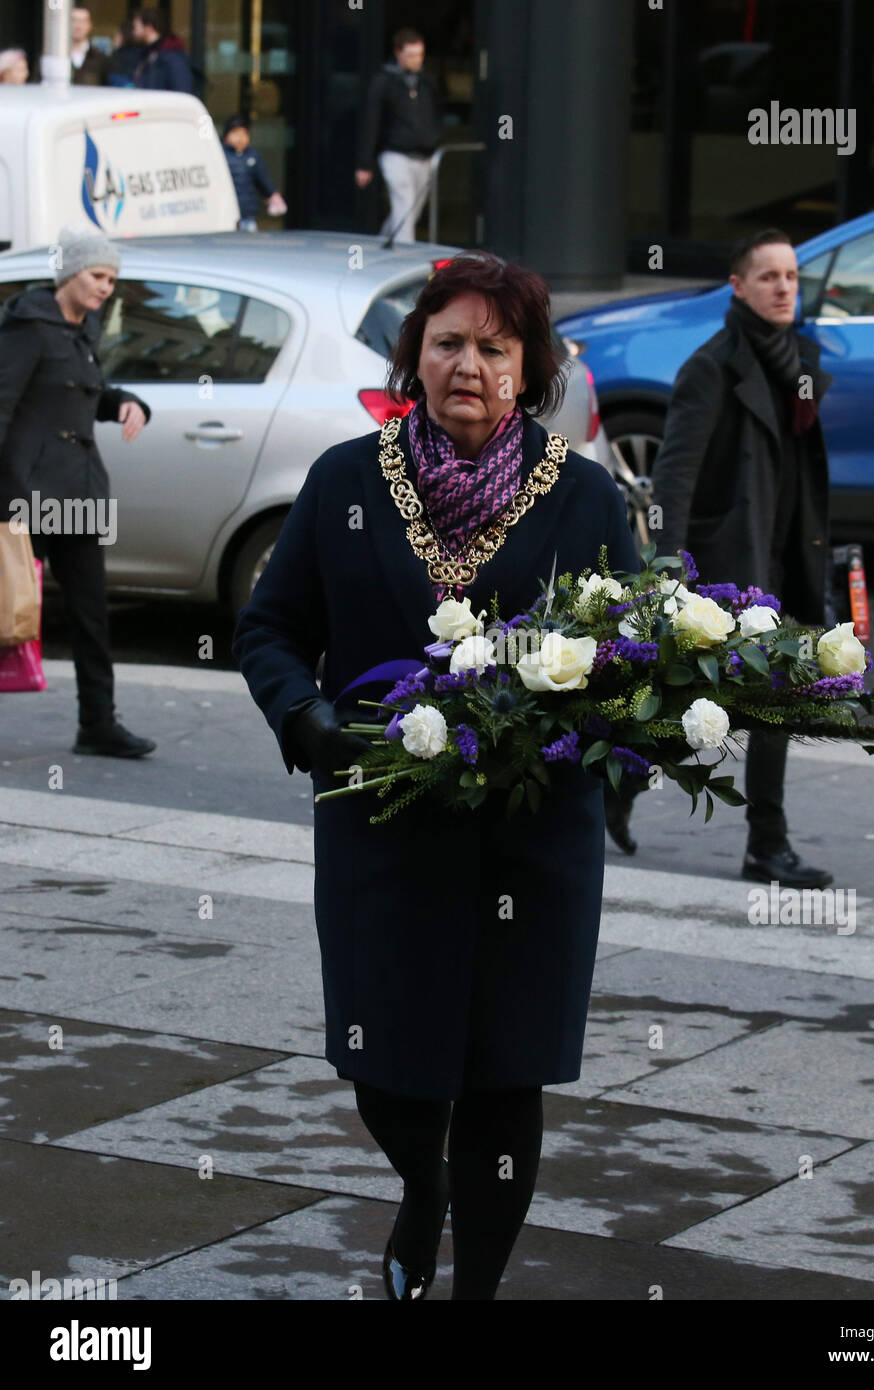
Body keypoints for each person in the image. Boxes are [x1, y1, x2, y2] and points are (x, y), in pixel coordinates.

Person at [233, 252, 640, 1300]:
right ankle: (421, 1185)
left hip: (532, 836)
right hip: (385, 823)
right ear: (414, 353)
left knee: (504, 1079)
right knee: (388, 1072)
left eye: (493, 348)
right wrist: (306, 716)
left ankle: (476, 1290)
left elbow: (631, 655)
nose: (467, 363)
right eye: (447, 341)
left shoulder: (586, 498)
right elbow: (270, 627)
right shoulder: (342, 482)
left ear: (529, 369)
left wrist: (620, 734)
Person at [644, 227, 835, 888]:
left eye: (791, 276)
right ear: (738, 286)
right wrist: (667, 577)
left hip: (784, 557)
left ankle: (765, 847)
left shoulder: (799, 362)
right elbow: (672, 476)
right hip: (727, 560)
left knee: (773, 702)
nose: (784, 287)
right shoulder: (712, 365)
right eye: (769, 277)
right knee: (694, 706)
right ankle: (614, 785)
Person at [0, 224, 156, 759]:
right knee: (9, 605)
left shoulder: (83, 328)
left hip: (82, 494)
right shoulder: (28, 326)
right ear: (69, 273)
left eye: (112, 278)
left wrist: (125, 403)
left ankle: (98, 723)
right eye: (97, 275)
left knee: (92, 614)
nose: (106, 286)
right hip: (27, 494)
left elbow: (85, 395)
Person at [355, 27, 441, 243]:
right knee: (404, 205)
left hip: (423, 154)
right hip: (395, 154)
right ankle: (405, 256)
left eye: (419, 55)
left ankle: (382, 243)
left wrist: (435, 138)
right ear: (398, 53)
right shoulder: (384, 82)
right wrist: (364, 163)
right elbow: (371, 123)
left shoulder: (427, 82)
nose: (416, 60)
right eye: (411, 55)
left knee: (411, 211)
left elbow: (437, 113)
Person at [221, 116, 287, 232]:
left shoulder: (253, 156)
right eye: (236, 133)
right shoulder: (219, 155)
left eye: (244, 134)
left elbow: (263, 180)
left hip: (247, 214)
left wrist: (273, 196)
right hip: (225, 214)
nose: (240, 138)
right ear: (226, 135)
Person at [130, 6, 193, 93]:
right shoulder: (147, 53)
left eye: (136, 26)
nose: (133, 30)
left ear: (148, 28)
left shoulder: (171, 55)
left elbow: (182, 91)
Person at [70, 7, 110, 86]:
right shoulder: (57, 57)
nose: (78, 26)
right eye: (74, 20)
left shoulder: (101, 60)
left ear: (89, 25)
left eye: (82, 21)